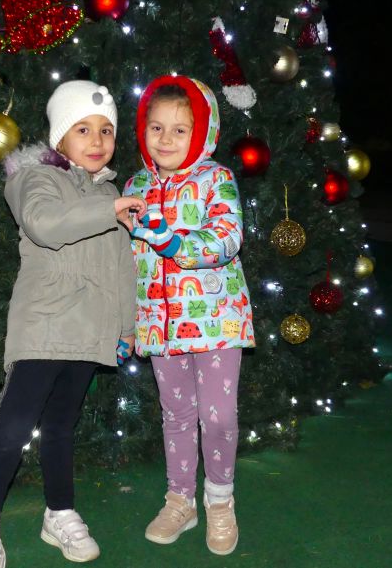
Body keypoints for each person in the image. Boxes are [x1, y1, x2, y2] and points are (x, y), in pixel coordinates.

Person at [0, 80, 147, 568]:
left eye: (106, 130)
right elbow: (46, 225)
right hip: (44, 325)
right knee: (13, 430)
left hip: (90, 330)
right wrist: (108, 209)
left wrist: (126, 327)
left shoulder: (109, 191)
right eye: (83, 129)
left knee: (61, 427)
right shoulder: (36, 178)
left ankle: (59, 512)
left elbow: (122, 265)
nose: (97, 140)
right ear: (59, 136)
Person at [122, 75, 255, 555]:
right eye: (156, 128)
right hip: (158, 325)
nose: (166, 139)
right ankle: (180, 499)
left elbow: (227, 237)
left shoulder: (216, 179)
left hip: (216, 320)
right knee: (177, 415)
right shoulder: (135, 185)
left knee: (218, 417)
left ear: (201, 133)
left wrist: (177, 244)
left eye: (180, 130)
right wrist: (125, 322)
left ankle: (219, 500)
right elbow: (127, 259)